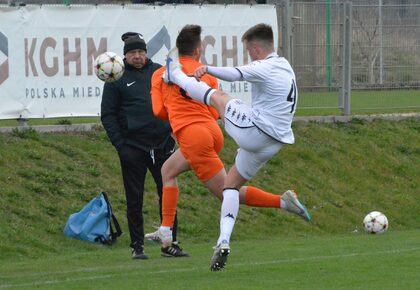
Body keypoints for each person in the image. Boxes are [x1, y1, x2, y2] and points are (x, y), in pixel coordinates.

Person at [146, 24, 310, 271]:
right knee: (220, 183)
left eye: (248, 51)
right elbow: (214, 111)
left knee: (219, 97)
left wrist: (198, 72)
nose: (249, 56)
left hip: (223, 134)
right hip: (272, 141)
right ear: (198, 50)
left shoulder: (264, 65)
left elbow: (160, 110)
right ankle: (217, 239)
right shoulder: (286, 66)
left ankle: (175, 73)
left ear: (255, 49)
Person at [100, 32, 188, 260]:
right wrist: (121, 146)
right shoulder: (116, 77)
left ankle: (170, 244)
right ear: (125, 56)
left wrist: (171, 133)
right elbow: (108, 115)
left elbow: (173, 102)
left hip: (162, 145)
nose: (137, 56)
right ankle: (137, 246)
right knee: (134, 198)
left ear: (146, 53)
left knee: (168, 194)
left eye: (140, 52)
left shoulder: (159, 72)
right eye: (132, 53)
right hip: (133, 148)